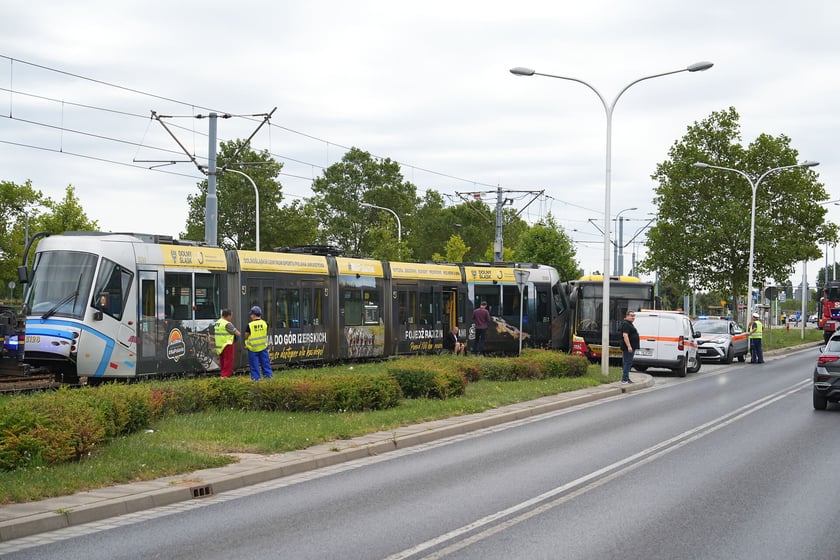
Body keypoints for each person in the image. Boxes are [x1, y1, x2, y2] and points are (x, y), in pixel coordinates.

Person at [244, 306, 273, 380]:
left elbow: (246, 335)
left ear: (254, 315)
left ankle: (256, 380)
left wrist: (247, 343)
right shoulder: (265, 323)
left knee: (254, 366)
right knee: (266, 364)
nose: (250, 316)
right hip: (263, 348)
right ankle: (268, 378)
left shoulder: (250, 325)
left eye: (251, 314)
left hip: (253, 349)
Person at [214, 308, 241, 378]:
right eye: (231, 316)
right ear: (228, 316)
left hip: (220, 346)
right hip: (227, 345)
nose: (231, 318)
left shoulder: (217, 323)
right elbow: (237, 333)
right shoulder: (227, 324)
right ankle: (225, 377)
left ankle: (222, 376)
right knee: (228, 362)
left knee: (222, 362)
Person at [619, 310, 639, 384]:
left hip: (631, 347)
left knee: (629, 362)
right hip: (628, 347)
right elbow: (625, 335)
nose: (633, 317)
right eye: (631, 315)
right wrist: (629, 346)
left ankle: (626, 378)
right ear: (627, 316)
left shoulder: (629, 324)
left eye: (634, 316)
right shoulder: (626, 324)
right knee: (627, 362)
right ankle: (624, 379)